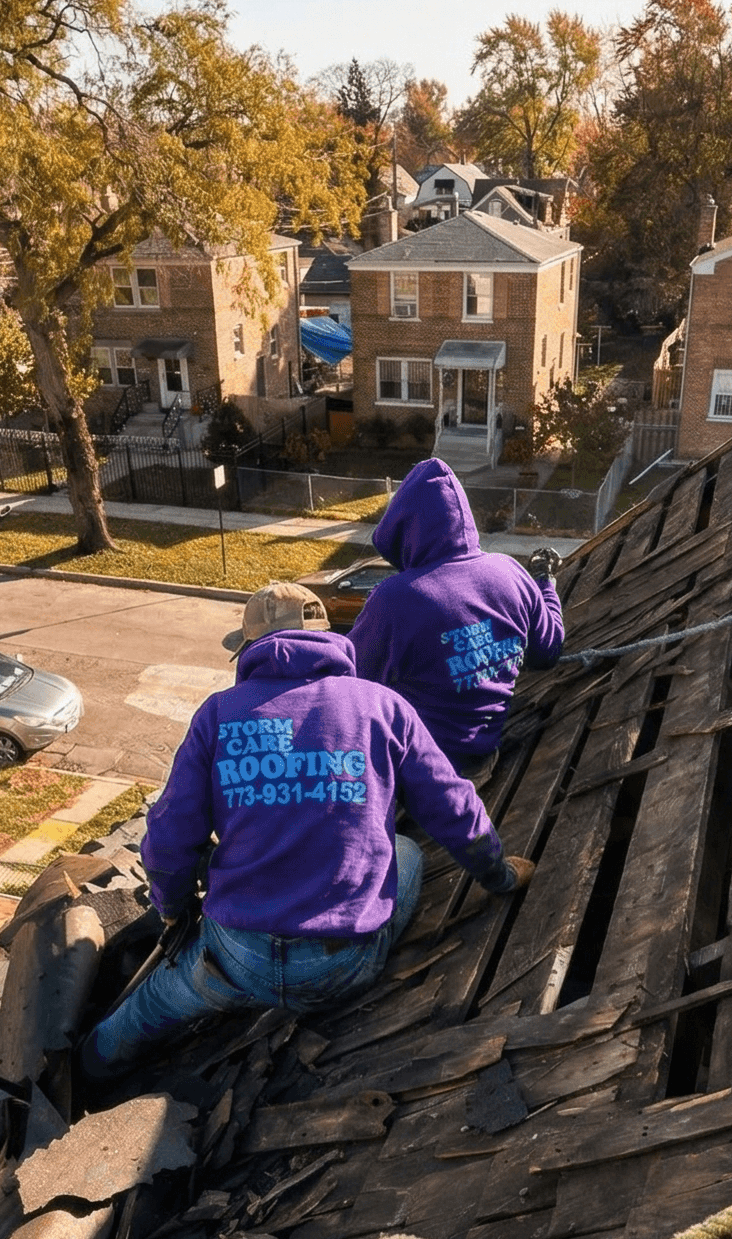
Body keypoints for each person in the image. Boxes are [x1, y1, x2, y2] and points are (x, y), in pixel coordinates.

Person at [80, 581, 531, 1076]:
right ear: (328, 637)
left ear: (249, 647)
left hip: (236, 957)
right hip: (342, 965)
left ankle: (77, 1075)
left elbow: (168, 838)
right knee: (406, 851)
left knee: (136, 1019)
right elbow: (453, 805)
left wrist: (174, 910)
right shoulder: (380, 705)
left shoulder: (217, 715)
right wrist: (498, 876)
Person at [348, 458, 565, 779]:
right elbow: (548, 650)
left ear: (406, 529)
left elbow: (348, 687)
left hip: (414, 778)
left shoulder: (395, 600)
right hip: (483, 759)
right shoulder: (512, 574)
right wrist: (545, 583)